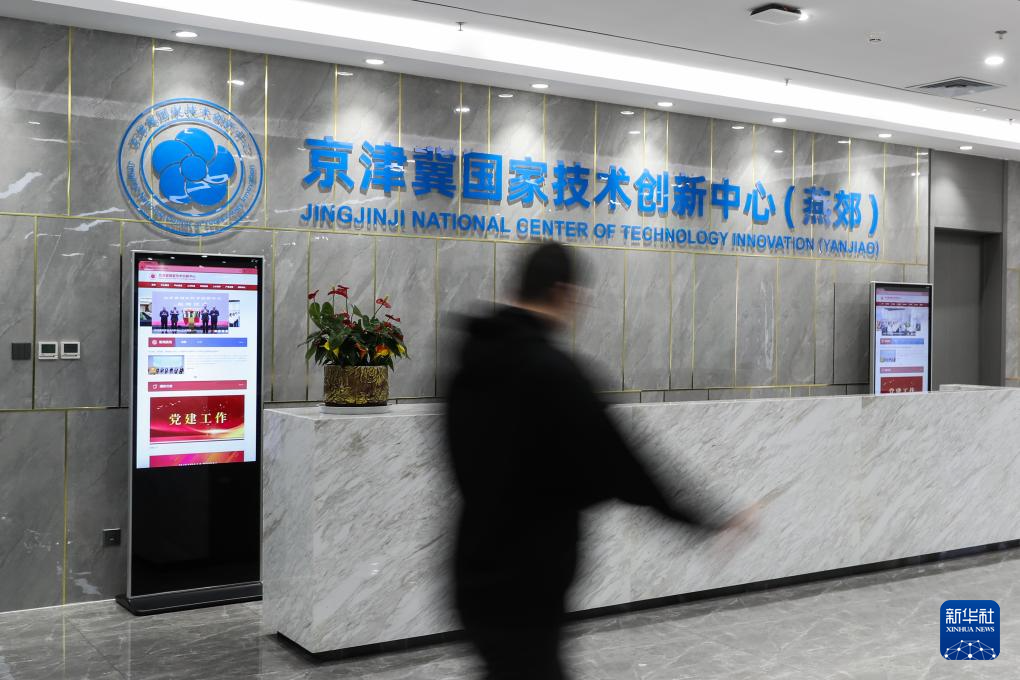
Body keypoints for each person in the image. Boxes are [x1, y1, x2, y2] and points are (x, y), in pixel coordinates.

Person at [445, 242, 752, 680]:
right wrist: (710, 519)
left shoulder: (468, 362)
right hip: (527, 583)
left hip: (472, 570)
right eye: (578, 299)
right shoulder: (554, 373)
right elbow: (630, 471)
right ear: (562, 291)